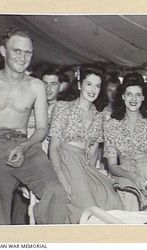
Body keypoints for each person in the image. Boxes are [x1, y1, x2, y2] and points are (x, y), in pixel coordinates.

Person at [0, 27, 67, 225]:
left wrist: (23, 147)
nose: (23, 57)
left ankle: (48, 240)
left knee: (55, 191)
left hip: (26, 147)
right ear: (4, 52)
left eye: (28, 52)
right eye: (17, 51)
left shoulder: (36, 85)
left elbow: (42, 129)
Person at [49, 65, 123, 223]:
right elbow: (54, 147)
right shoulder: (63, 108)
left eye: (97, 85)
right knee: (88, 208)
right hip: (65, 161)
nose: (93, 89)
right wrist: (60, 175)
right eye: (89, 84)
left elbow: (94, 149)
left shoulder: (99, 115)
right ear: (79, 84)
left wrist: (89, 173)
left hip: (85, 165)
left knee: (112, 198)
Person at [104, 73, 147, 210]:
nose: (133, 99)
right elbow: (112, 165)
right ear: (123, 96)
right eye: (129, 94)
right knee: (130, 203)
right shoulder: (110, 125)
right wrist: (133, 177)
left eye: (138, 95)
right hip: (124, 173)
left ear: (143, 98)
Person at [11, 67, 66, 225]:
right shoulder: (29, 107)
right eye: (44, 84)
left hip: (57, 160)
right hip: (32, 159)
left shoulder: (65, 109)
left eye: (53, 84)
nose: (48, 89)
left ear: (60, 86)